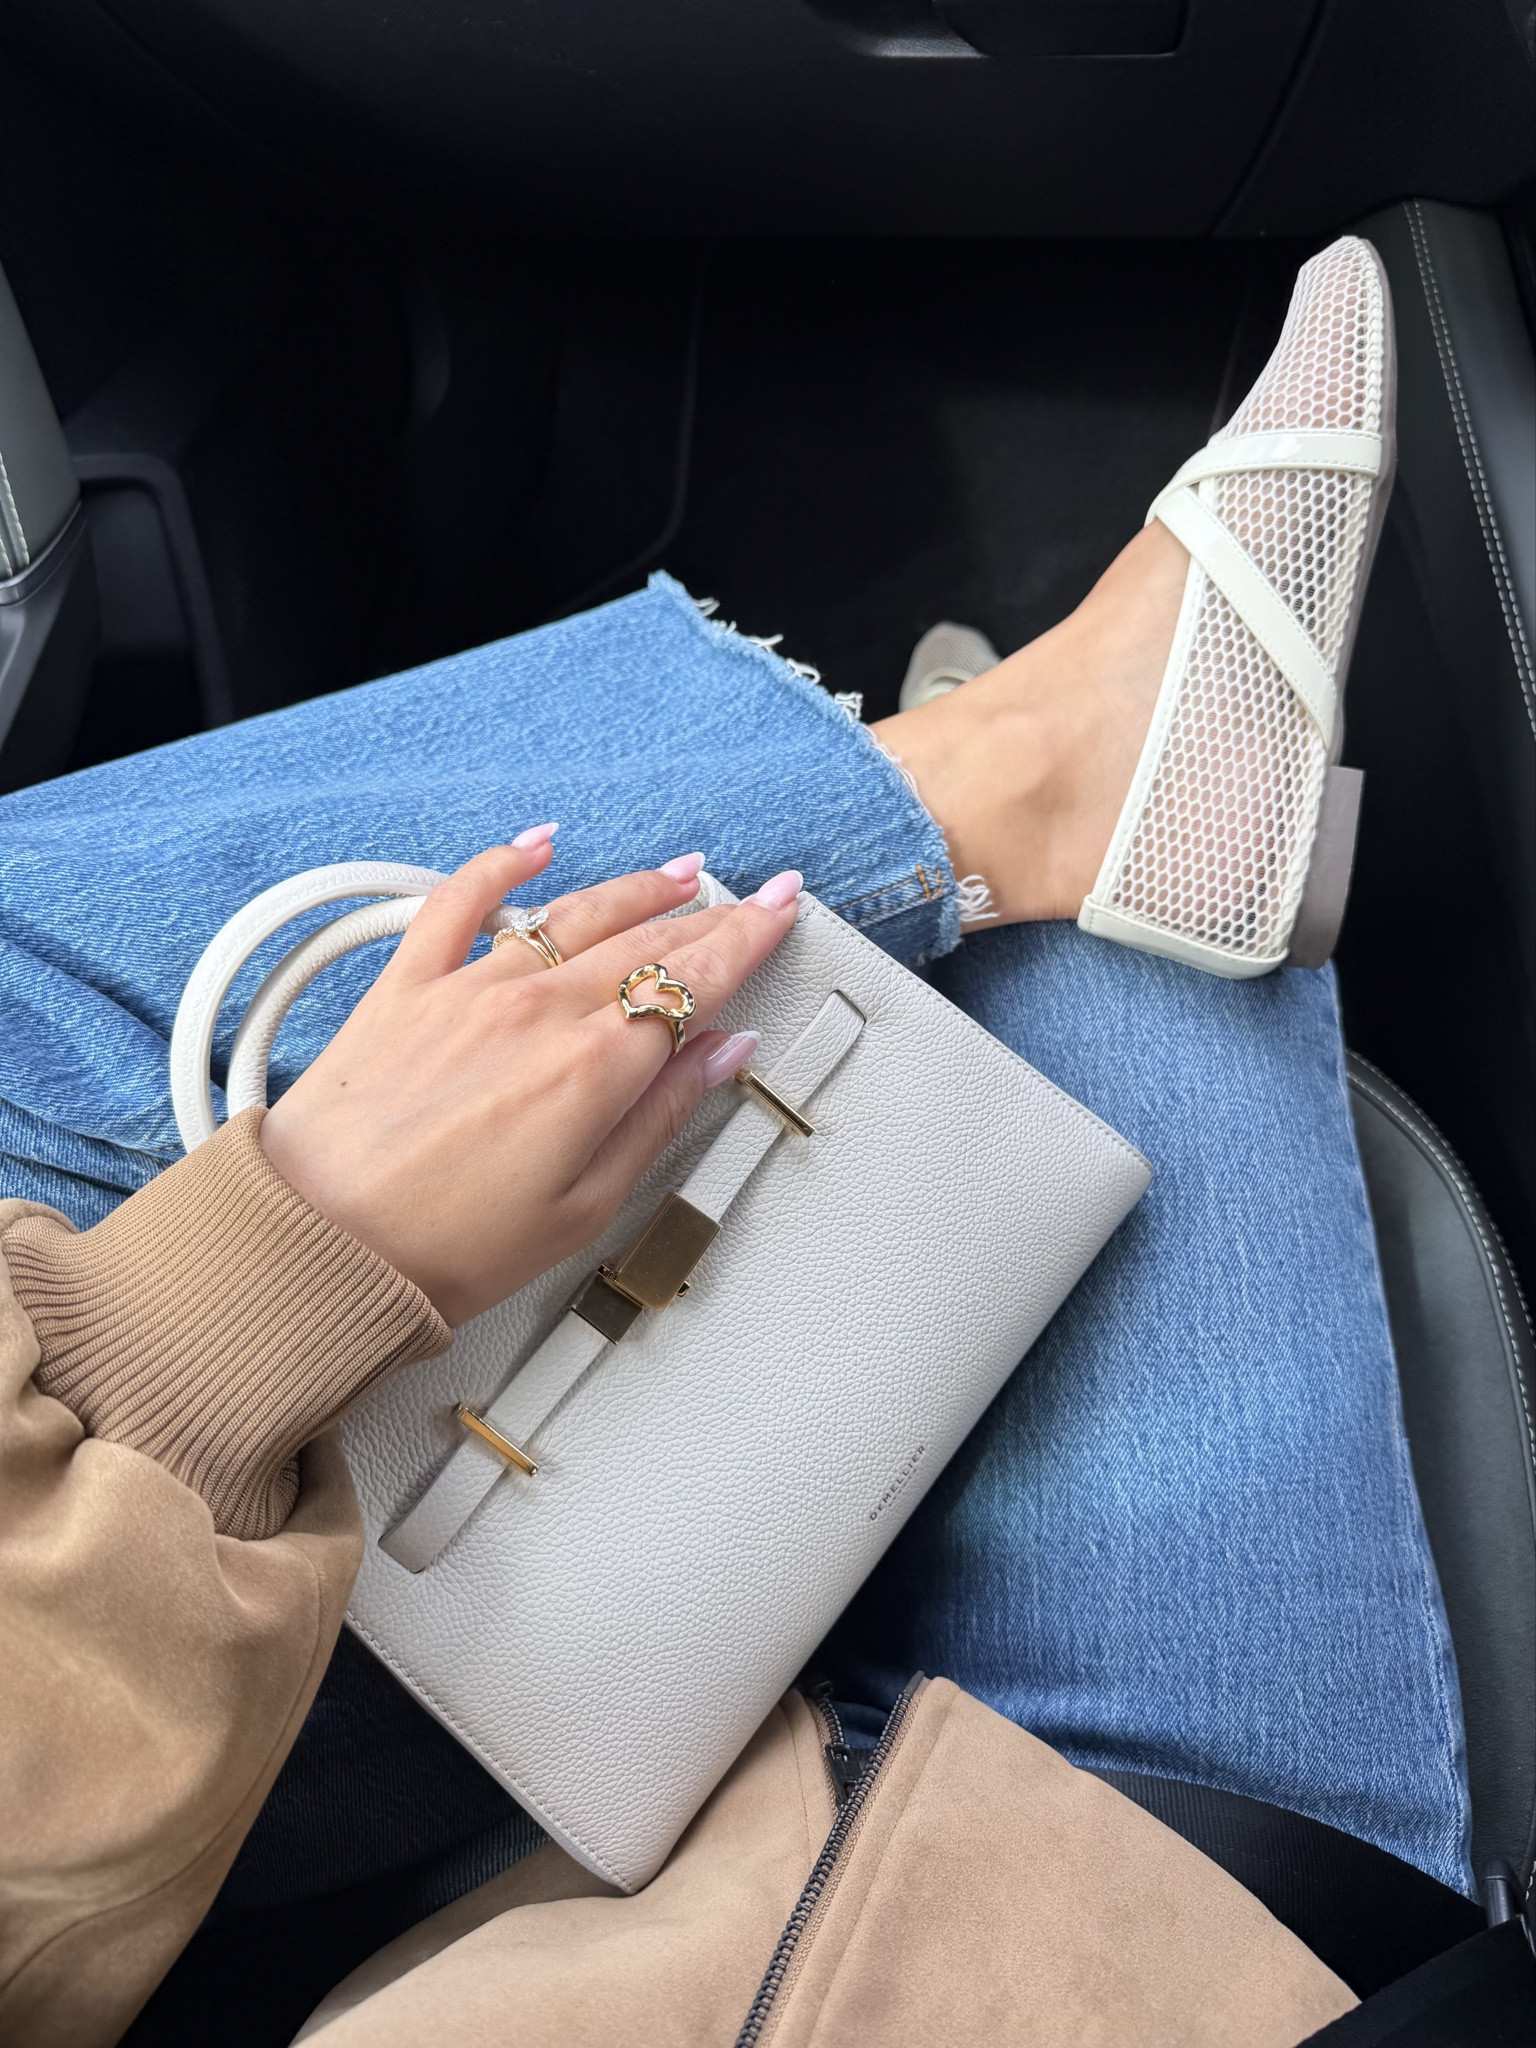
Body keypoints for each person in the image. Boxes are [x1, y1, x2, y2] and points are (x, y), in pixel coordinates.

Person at [0, 238, 1466, 2044]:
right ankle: (1018, 783)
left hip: (515, 1829)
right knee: (1057, 959)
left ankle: (1005, 777)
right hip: (1115, 1925)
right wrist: (262, 1276)